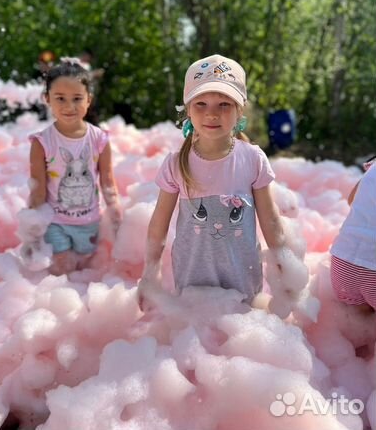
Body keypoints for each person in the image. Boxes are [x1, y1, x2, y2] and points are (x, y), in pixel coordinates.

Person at [138, 54, 285, 309]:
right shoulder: (175, 164)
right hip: (192, 276)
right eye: (201, 104)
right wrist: (150, 273)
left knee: (240, 339)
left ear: (240, 109)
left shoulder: (252, 158)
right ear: (187, 111)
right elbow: (157, 226)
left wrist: (285, 267)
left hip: (242, 275)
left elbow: (270, 219)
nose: (212, 114)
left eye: (224, 105)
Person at [28, 59, 122, 275]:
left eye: (77, 98)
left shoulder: (99, 139)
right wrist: (32, 229)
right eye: (60, 98)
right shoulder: (41, 143)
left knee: (86, 271)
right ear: (47, 99)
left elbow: (107, 182)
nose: (69, 106)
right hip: (55, 222)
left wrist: (116, 218)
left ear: (89, 100)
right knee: (61, 270)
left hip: (89, 222)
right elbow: (37, 189)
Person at [330, 160, 376, 313]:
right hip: (373, 269)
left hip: (343, 263)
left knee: (358, 325)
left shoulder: (374, 165)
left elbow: (351, 200)